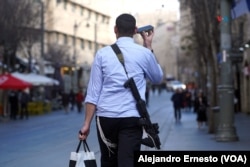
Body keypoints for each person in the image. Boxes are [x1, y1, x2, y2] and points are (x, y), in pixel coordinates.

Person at [78, 13, 163, 167]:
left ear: (115, 29)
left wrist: (86, 124)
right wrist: (149, 46)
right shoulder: (144, 53)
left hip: (106, 119)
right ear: (135, 30)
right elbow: (157, 78)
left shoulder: (102, 54)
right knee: (128, 161)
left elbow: (93, 93)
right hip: (132, 118)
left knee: (108, 162)